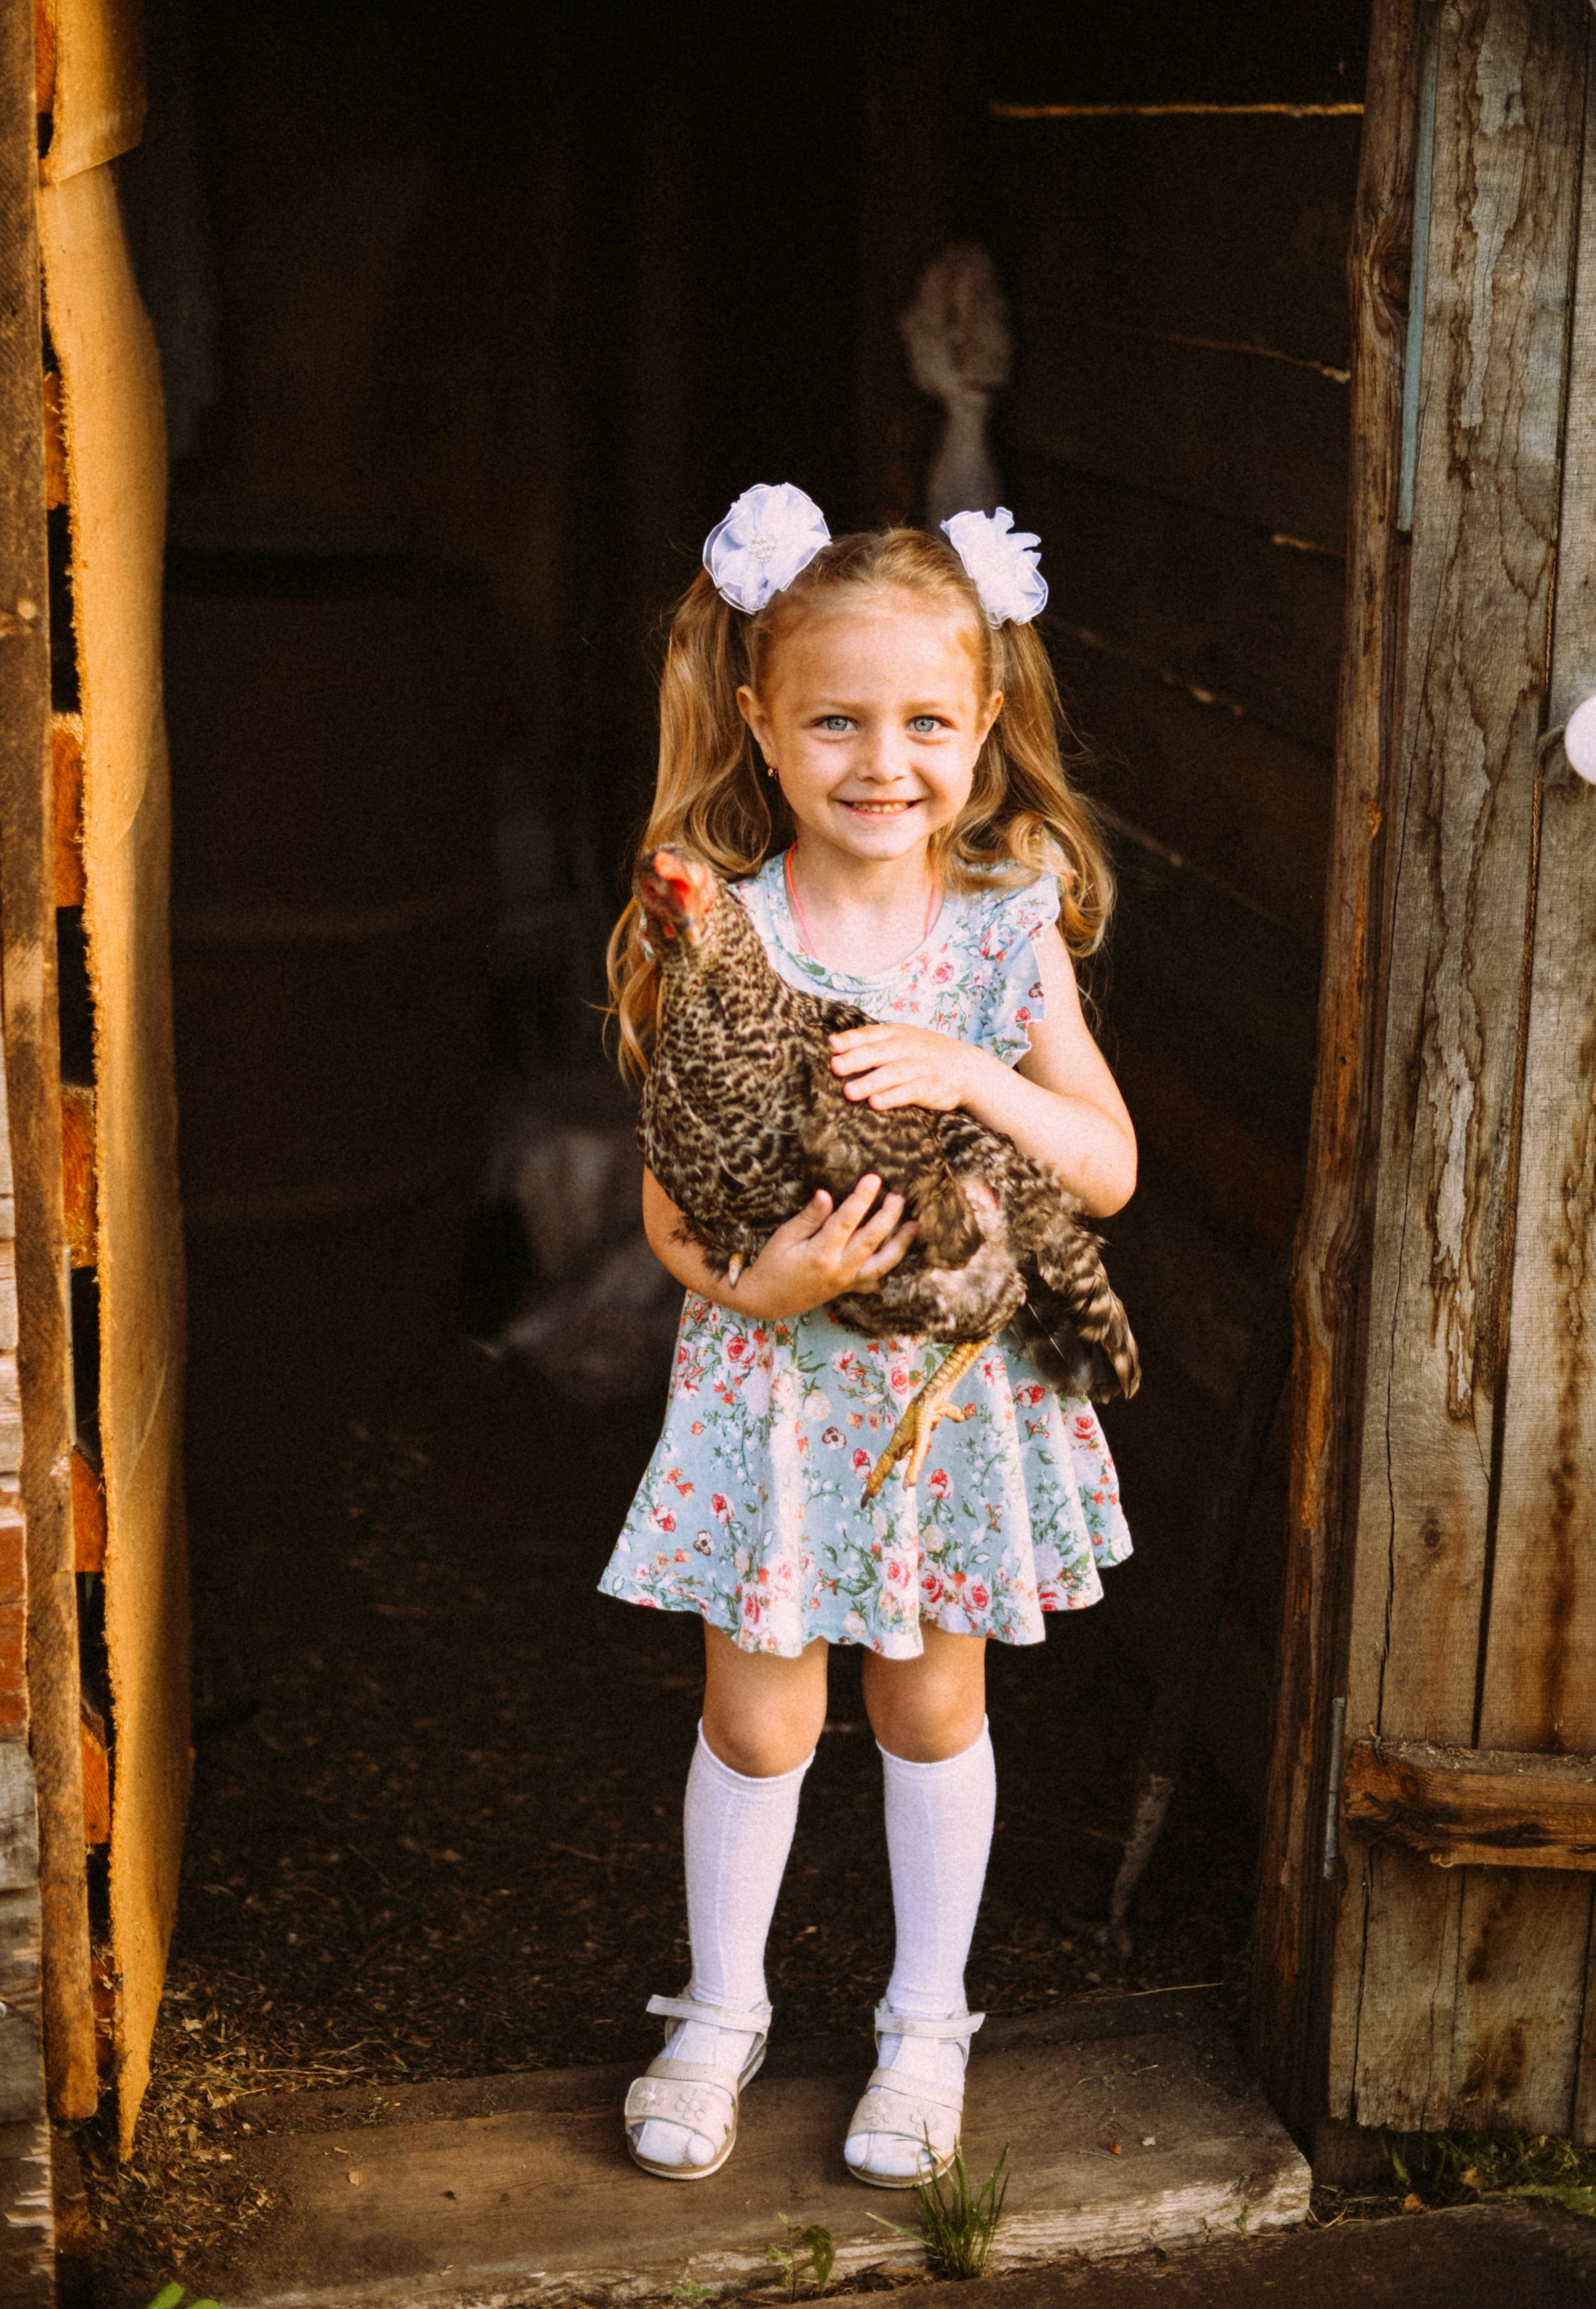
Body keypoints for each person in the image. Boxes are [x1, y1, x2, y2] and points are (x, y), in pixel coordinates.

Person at [599, 484, 1137, 2188]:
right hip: (773, 1393)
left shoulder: (1000, 927)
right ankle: (721, 2008)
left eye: (923, 719)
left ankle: (924, 2023)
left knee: (926, 1706)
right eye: (836, 717)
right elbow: (670, 1186)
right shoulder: (730, 925)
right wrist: (744, 1285)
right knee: (758, 1723)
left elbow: (1109, 1164)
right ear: (760, 721)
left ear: (983, 726)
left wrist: (976, 1068)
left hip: (946, 1407)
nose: (881, 758)